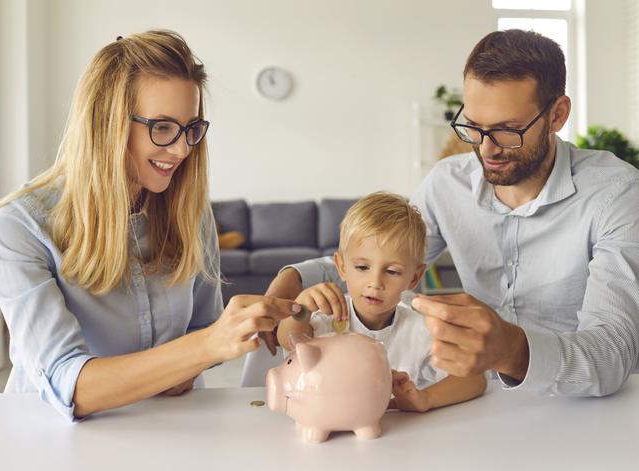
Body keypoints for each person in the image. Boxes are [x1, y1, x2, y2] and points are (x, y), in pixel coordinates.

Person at [263, 29, 639, 397]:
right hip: (478, 399)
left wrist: (513, 352)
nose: (486, 150)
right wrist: (296, 277)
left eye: (508, 130)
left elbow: (614, 353)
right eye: (474, 127)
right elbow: (383, 258)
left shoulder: (615, 194)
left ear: (557, 115)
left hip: (584, 407)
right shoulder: (447, 183)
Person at [0, 30, 301, 421]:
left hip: (170, 430)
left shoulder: (191, 212)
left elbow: (202, 327)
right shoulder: (17, 228)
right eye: (162, 127)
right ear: (106, 124)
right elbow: (69, 385)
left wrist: (211, 349)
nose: (181, 149)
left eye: (190, 129)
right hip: (55, 442)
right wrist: (205, 347)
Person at [276, 192, 486, 412]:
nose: (375, 283)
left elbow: (475, 379)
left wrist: (425, 399)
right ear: (341, 266)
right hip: (332, 426)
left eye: (393, 271)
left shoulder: (420, 325)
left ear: (414, 277)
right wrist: (302, 308)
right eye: (362, 268)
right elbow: (288, 340)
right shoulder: (329, 315)